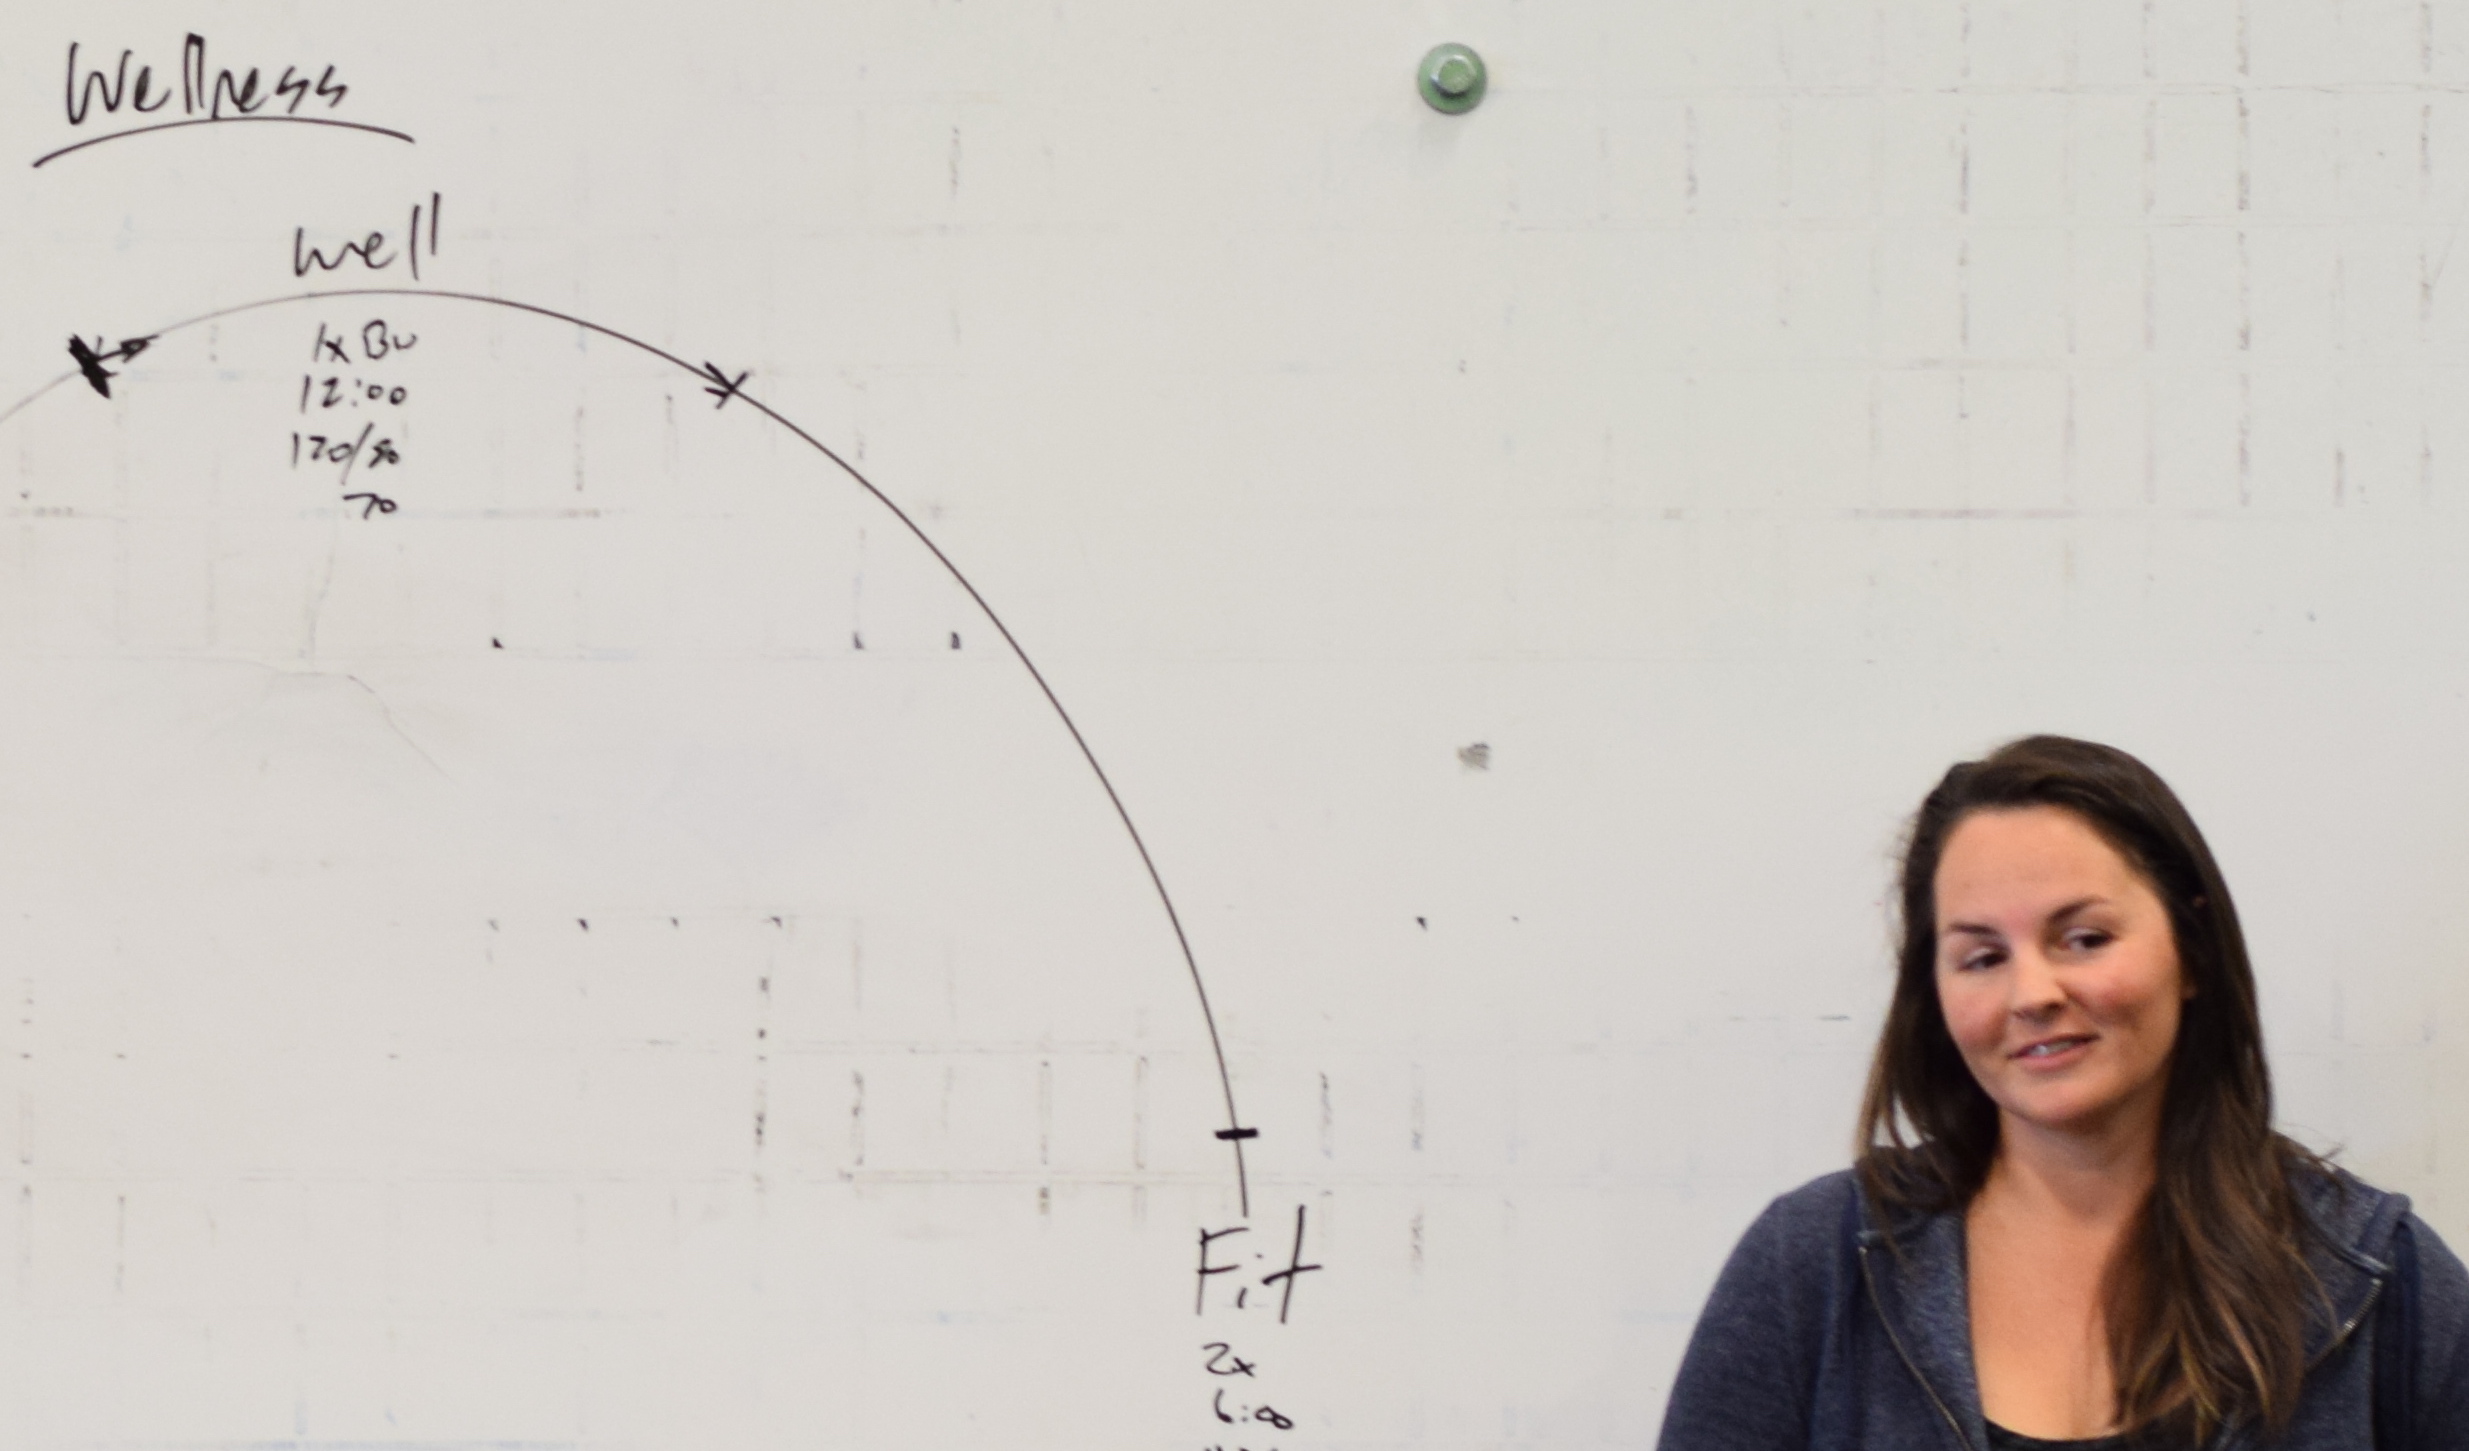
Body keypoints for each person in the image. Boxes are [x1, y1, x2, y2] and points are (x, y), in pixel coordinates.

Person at [1657, 736, 2469, 1449]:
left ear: (2190, 950)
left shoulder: (2376, 1276)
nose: (2031, 991)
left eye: (2082, 938)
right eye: (1981, 957)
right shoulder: (1814, 1266)